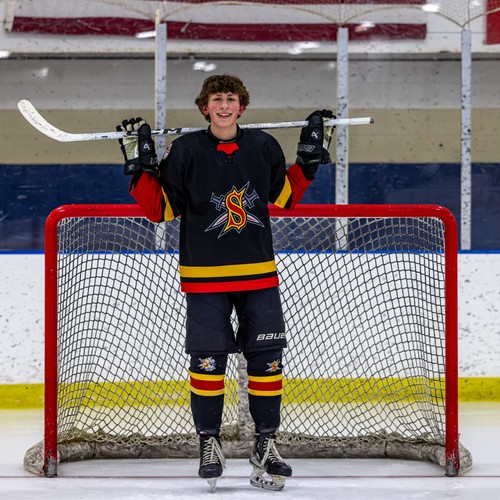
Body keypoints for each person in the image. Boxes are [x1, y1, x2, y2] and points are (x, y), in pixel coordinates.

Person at [116, 74, 334, 491]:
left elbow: (285, 197)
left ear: (242, 106)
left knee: (267, 362)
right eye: (216, 99)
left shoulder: (264, 146)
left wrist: (307, 161)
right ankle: (209, 444)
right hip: (204, 278)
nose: (224, 106)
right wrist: (140, 169)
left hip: (258, 275)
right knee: (208, 363)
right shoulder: (185, 150)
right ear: (205, 107)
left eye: (231, 99)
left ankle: (265, 444)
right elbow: (161, 210)